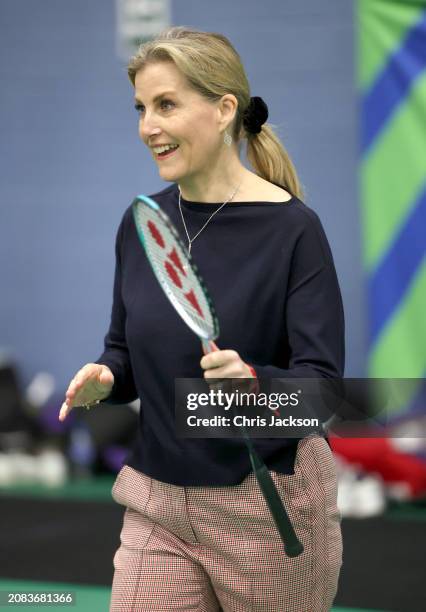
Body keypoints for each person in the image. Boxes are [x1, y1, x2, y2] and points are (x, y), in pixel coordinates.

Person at [59, 27, 344, 611]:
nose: (147, 127)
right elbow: (125, 350)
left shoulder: (294, 231)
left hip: (268, 506)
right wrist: (109, 376)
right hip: (159, 504)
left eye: (166, 105)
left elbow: (324, 393)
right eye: (141, 108)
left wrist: (256, 384)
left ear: (223, 110)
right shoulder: (142, 225)